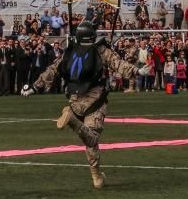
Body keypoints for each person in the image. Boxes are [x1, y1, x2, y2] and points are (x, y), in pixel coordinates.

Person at [21, 20, 138, 189]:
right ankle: (74, 125)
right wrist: (137, 71)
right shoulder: (101, 50)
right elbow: (118, 64)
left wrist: (33, 87)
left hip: (74, 99)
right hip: (95, 99)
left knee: (90, 140)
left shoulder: (69, 51)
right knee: (92, 138)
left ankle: (97, 176)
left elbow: (53, 70)